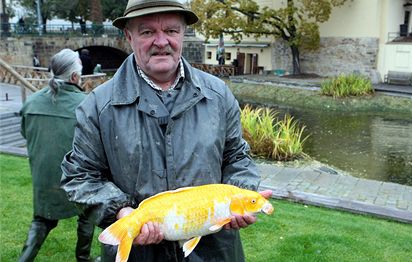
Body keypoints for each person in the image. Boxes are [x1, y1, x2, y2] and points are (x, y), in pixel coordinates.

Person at [60, 0, 272, 261]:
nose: (161, 41)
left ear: (183, 32)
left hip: (214, 252)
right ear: (129, 35)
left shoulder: (218, 95)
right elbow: (79, 177)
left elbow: (238, 158)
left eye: (171, 30)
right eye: (147, 31)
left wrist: (239, 198)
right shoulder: (97, 106)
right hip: (138, 253)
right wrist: (121, 212)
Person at [19, 49, 96, 262]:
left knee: (41, 220)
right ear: (74, 77)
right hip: (76, 180)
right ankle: (83, 258)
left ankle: (24, 259)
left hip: (44, 180)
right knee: (88, 213)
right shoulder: (87, 104)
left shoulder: (31, 103)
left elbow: (25, 134)